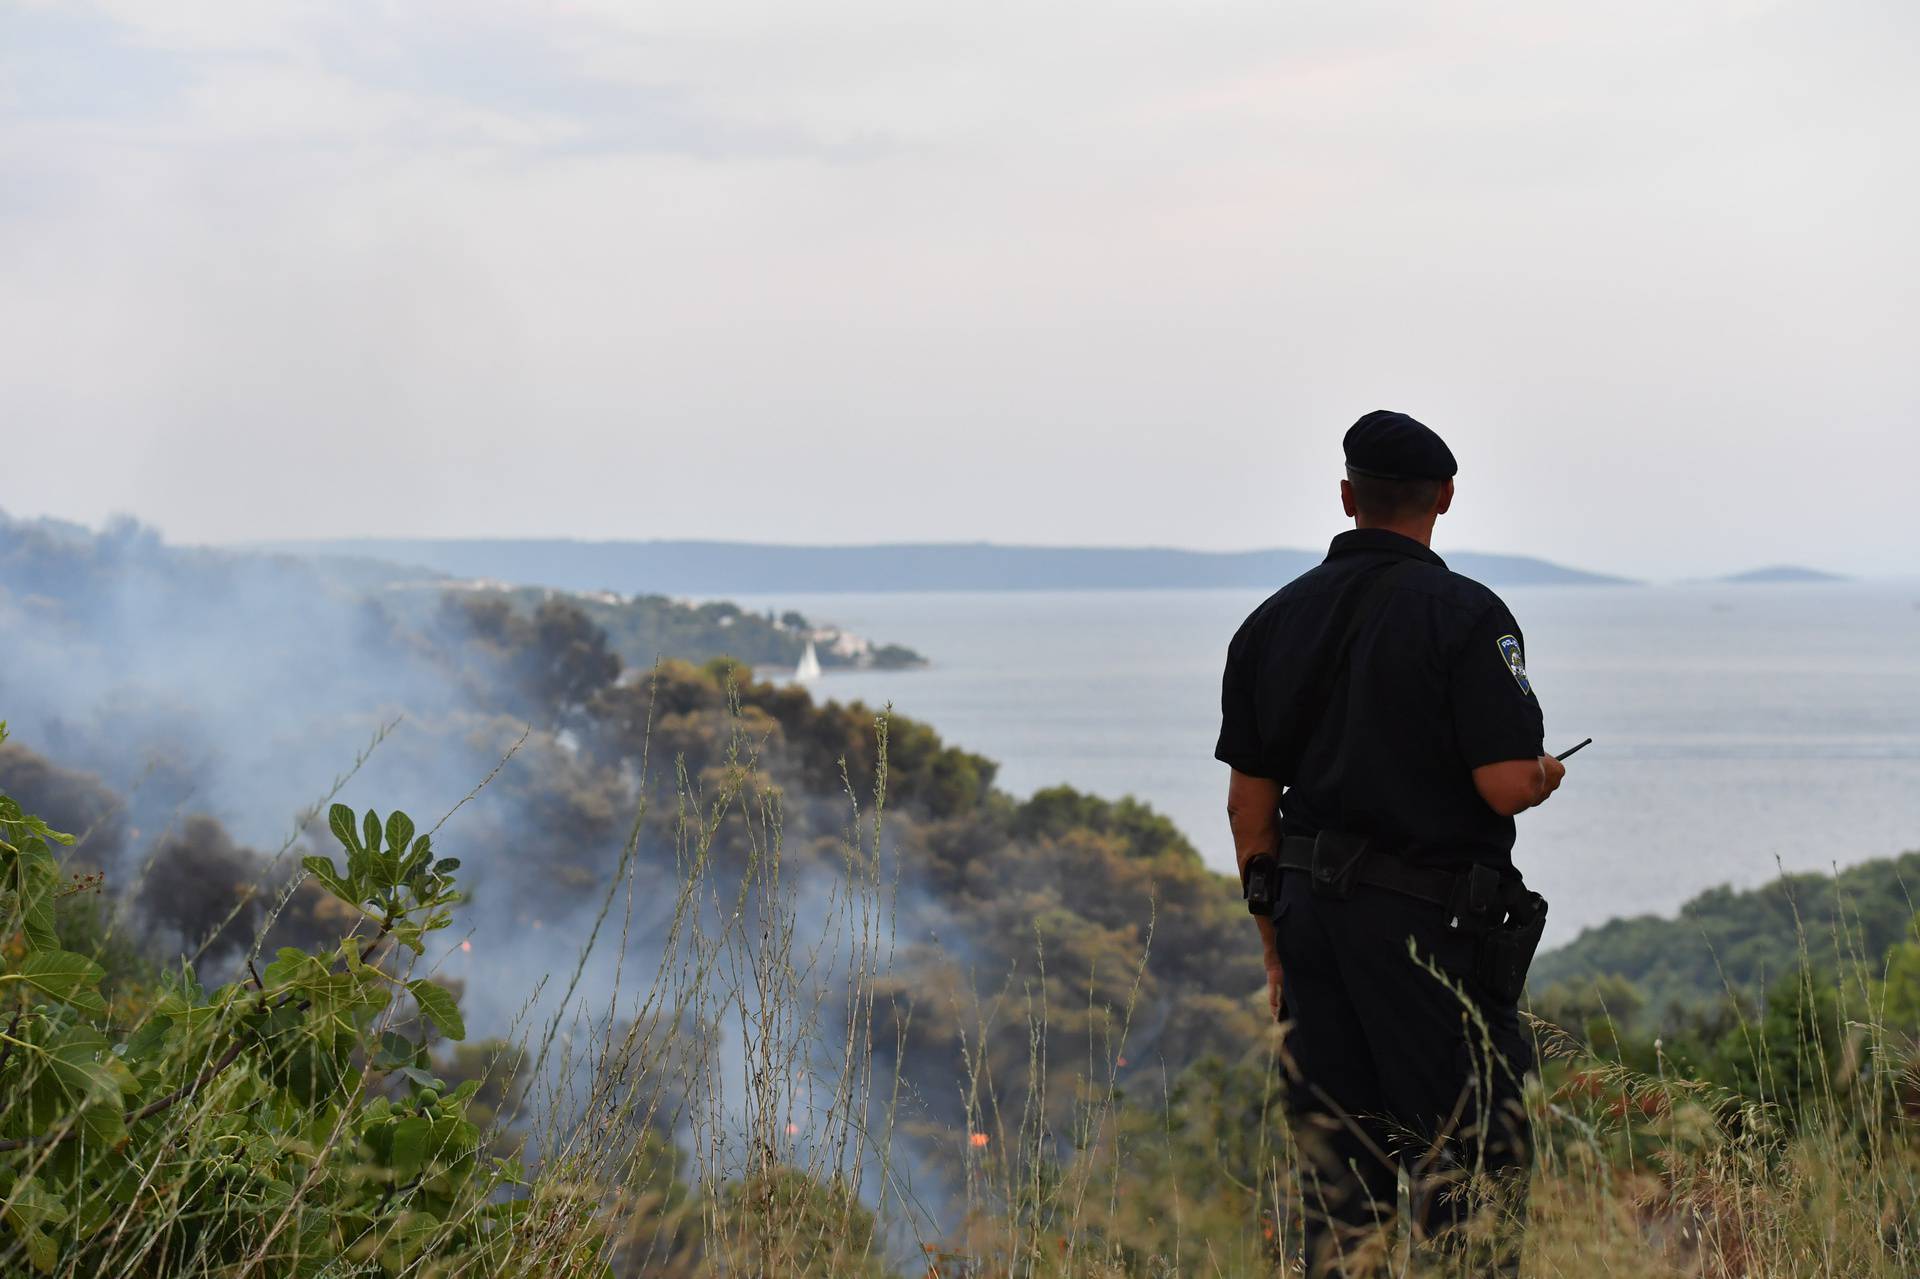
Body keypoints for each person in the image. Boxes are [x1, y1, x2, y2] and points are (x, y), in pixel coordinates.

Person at [1215, 409, 1565, 1274]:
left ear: (1346, 497)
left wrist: (1275, 945)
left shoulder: (1270, 622)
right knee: (1471, 1176)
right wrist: (1545, 772)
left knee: (1340, 1189)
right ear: (1444, 498)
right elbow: (1503, 782)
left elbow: (1249, 813)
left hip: (1311, 929)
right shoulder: (1467, 615)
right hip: (1431, 939)